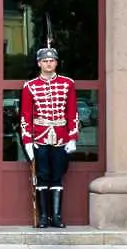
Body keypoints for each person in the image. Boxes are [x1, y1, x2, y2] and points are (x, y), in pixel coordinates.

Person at [19, 47, 79, 228]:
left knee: (57, 176)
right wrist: (28, 141)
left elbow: (72, 112)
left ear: (56, 62)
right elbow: (25, 116)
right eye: (45, 61)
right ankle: (44, 217)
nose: (48, 63)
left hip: (61, 137)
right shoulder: (30, 86)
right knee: (43, 176)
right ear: (39, 63)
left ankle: (57, 217)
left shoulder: (68, 84)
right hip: (40, 137)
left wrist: (72, 137)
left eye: (51, 60)